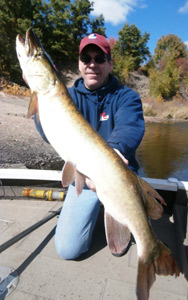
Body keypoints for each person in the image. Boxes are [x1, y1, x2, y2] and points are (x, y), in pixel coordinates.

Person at [34, 33, 145, 260]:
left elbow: (130, 127)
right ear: (79, 63)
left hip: (118, 177)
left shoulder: (126, 97)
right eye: (86, 58)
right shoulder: (66, 96)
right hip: (83, 180)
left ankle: (126, 221)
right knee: (68, 250)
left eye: (100, 58)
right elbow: (49, 131)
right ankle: (99, 210)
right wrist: (37, 96)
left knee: (130, 236)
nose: (92, 64)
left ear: (110, 63)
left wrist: (113, 152)